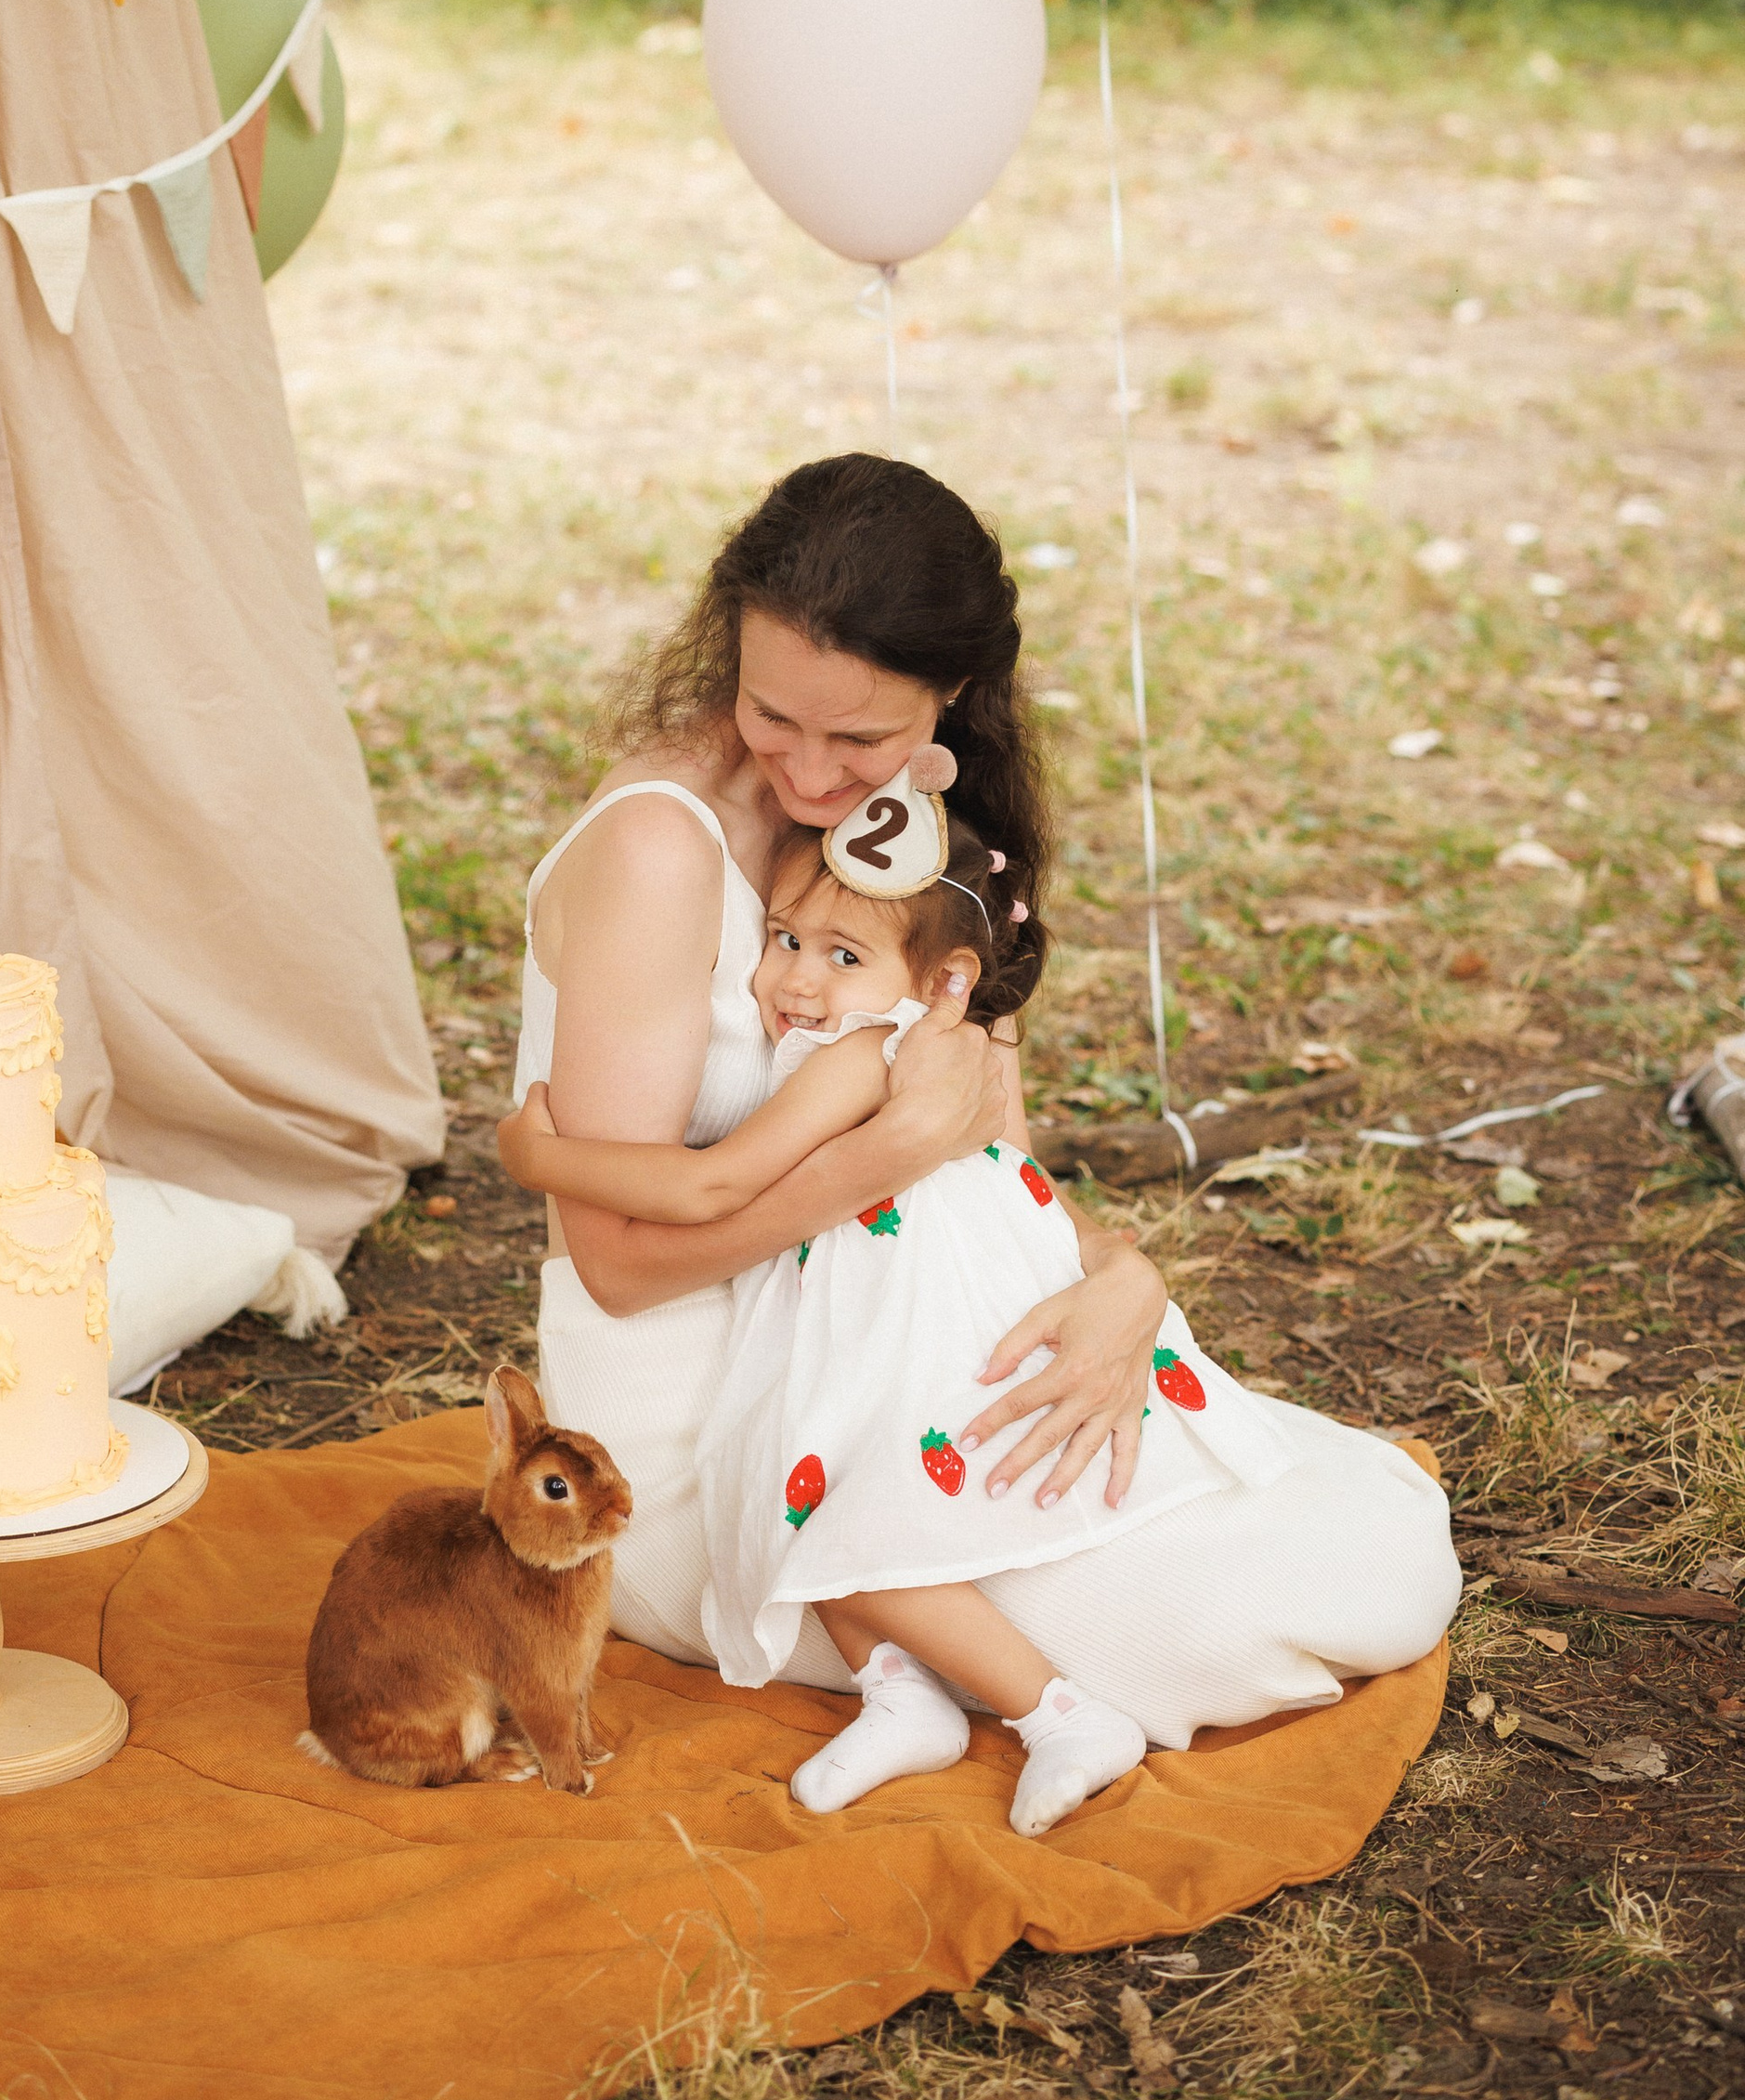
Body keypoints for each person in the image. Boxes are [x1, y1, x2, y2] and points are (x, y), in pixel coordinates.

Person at [499, 453, 1460, 1772]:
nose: (816, 774)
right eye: (773, 713)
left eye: (864, 736)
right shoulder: (663, 851)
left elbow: (983, 1153)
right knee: (1248, 1612)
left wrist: (1123, 1276)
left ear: (950, 694)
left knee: (1361, 1534)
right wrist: (882, 1154)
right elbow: (612, 1262)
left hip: (887, 1339)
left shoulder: (918, 842)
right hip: (701, 1431)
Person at [506, 794, 1307, 1825]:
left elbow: (711, 1187)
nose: (796, 975)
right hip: (865, 1300)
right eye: (785, 938)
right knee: (787, 1478)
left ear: (943, 982)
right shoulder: (920, 1036)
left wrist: (540, 1156)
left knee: (832, 1495)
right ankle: (901, 1690)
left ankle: (1059, 1714)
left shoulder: (856, 1054)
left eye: (843, 955)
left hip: (895, 1314)